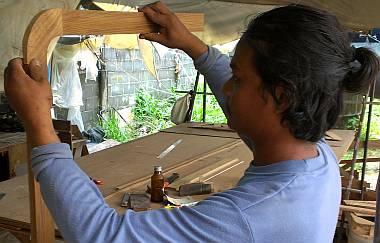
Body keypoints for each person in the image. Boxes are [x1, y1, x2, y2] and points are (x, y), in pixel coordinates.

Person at [4, 2, 380, 243]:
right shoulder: (315, 158)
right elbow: (245, 108)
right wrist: (195, 48)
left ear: (281, 95)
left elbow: (100, 234)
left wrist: (40, 125)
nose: (228, 86)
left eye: (239, 77)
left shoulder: (246, 218)